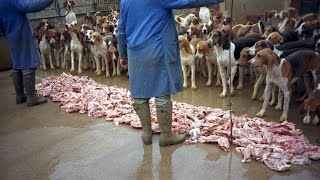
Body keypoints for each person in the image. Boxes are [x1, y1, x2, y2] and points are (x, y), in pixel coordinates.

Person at [117, 0, 223, 147]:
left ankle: (147, 134)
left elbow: (121, 29)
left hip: (134, 51)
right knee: (162, 92)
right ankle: (166, 135)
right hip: (157, 48)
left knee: (140, 94)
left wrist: (123, 54)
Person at [0, 0, 54, 106]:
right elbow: (28, 5)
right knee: (28, 62)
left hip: (9, 32)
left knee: (17, 64)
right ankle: (31, 97)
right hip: (20, 30)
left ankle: (20, 95)